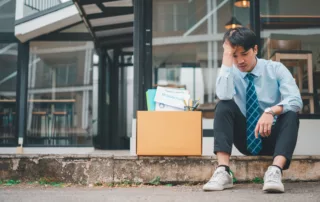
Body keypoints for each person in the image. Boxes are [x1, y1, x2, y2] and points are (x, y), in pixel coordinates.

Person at [203, 27, 302, 193]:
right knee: (224, 105)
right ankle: (223, 171)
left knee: (291, 114)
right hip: (245, 138)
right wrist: (227, 59)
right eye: (235, 55)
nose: (240, 60)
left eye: (244, 53)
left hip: (274, 138)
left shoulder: (275, 69)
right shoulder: (231, 72)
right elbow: (223, 94)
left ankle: (275, 171)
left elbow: (296, 100)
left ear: (255, 49)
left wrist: (270, 111)